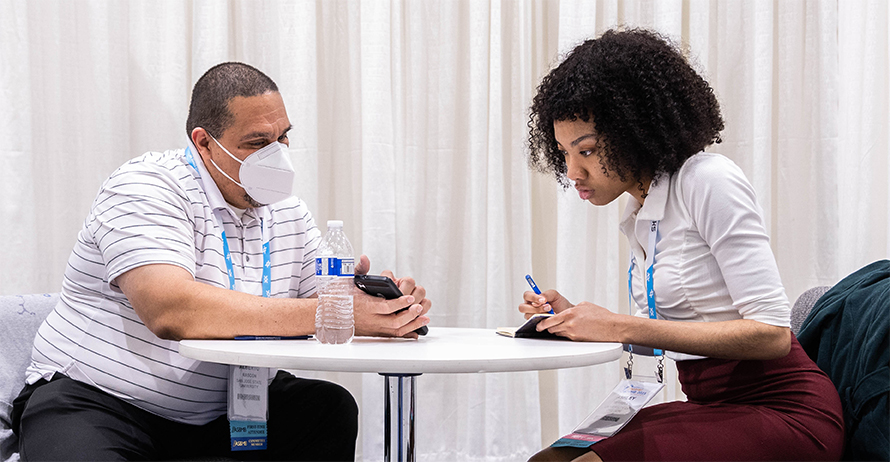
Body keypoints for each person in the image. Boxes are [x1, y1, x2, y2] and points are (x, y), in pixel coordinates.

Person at [11, 62, 431, 461]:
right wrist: (332, 312)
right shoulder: (145, 186)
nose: (279, 155)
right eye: (257, 143)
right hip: (102, 399)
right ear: (203, 142)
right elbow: (170, 310)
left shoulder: (289, 212)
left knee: (327, 408)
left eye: (283, 137)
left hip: (226, 411)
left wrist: (378, 307)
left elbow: (321, 307)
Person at [521, 29, 844, 461]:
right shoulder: (639, 215)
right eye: (563, 153)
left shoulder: (706, 180)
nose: (572, 171)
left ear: (636, 128)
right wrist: (576, 320)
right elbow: (667, 332)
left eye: (588, 150)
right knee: (550, 459)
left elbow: (772, 337)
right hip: (715, 408)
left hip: (787, 413)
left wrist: (618, 325)